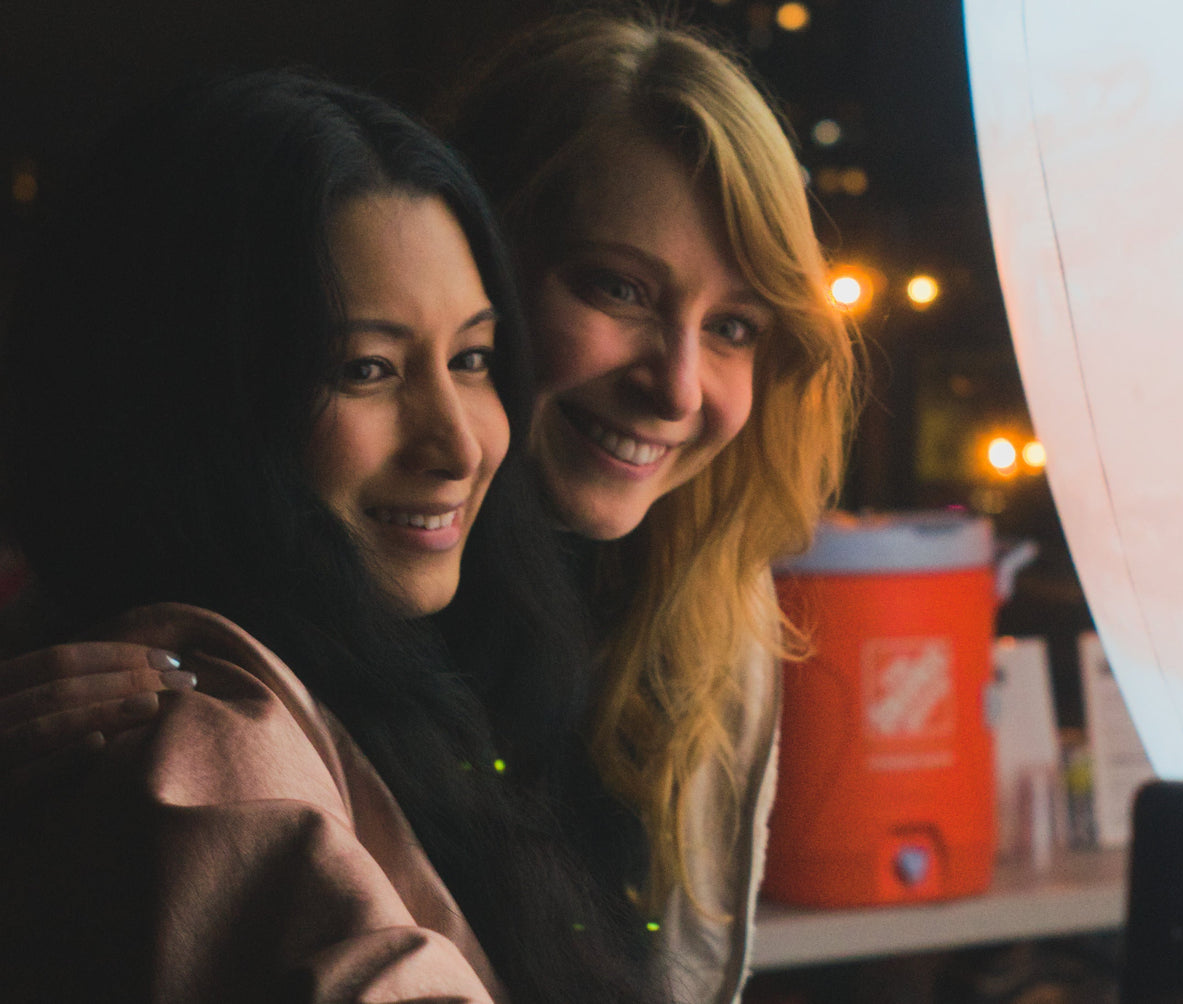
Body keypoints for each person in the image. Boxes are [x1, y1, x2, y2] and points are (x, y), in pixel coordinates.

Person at [0, 13, 861, 1003]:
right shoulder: (193, 700)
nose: (676, 385)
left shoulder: (704, 610)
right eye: (618, 288)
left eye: (738, 326)